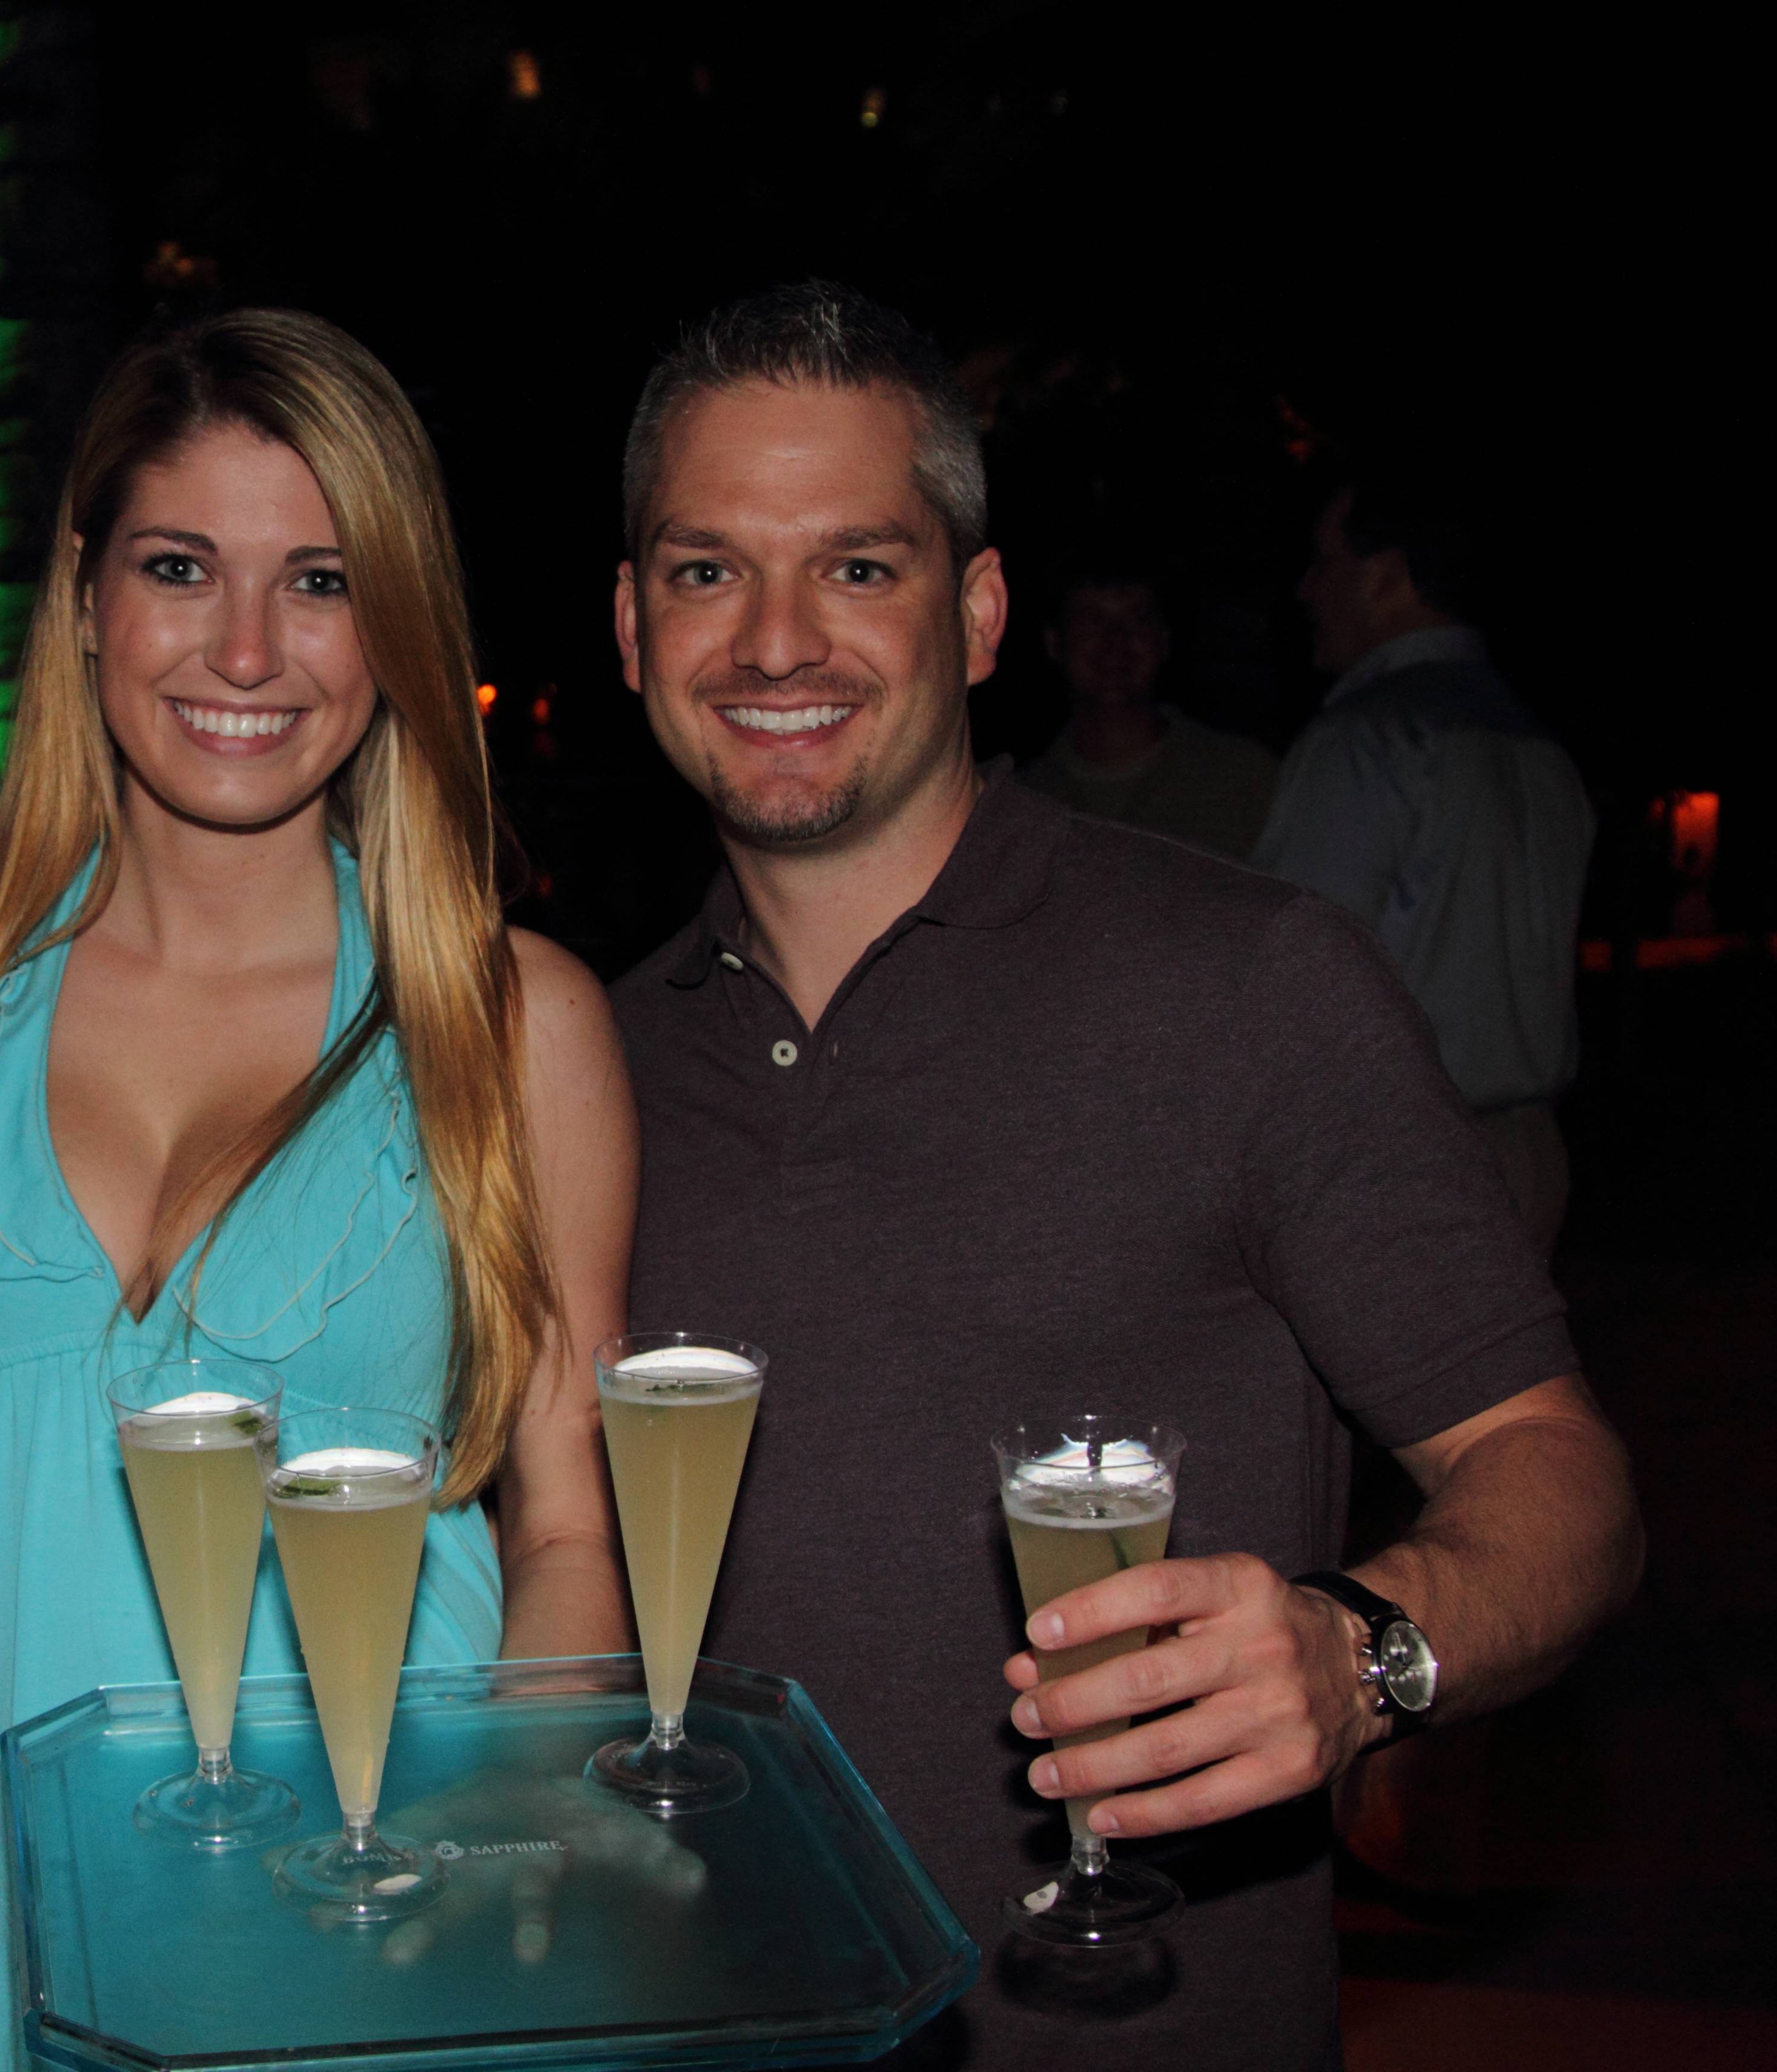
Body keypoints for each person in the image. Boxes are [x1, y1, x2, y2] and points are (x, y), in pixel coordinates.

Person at [608, 281, 1641, 2067]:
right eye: (709, 570)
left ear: (977, 612)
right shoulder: (588, 1065)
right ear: (631, 627)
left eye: (857, 566)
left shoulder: (1251, 986)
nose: (775, 639)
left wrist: (1361, 1654)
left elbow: (1561, 1481)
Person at [0, 309, 635, 2065]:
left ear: (396, 624)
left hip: (372, 1872)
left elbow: (568, 1525)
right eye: (181, 566)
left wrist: (516, 1806)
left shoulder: (507, 1023)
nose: (249, 650)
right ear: (86, 593)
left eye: (322, 583)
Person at [1255, 475, 1593, 1254]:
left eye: (1324, 563)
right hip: (1528, 1153)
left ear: (1387, 576)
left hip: (1400, 1163)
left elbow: (1291, 977)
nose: (1306, 590)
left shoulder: (1370, 739)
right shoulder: (1539, 746)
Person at [1014, 567, 1278, 859]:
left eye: (1138, 620)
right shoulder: (1021, 800)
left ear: (1163, 641)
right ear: (1054, 642)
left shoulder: (1243, 777)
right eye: (1092, 621)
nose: (1115, 642)